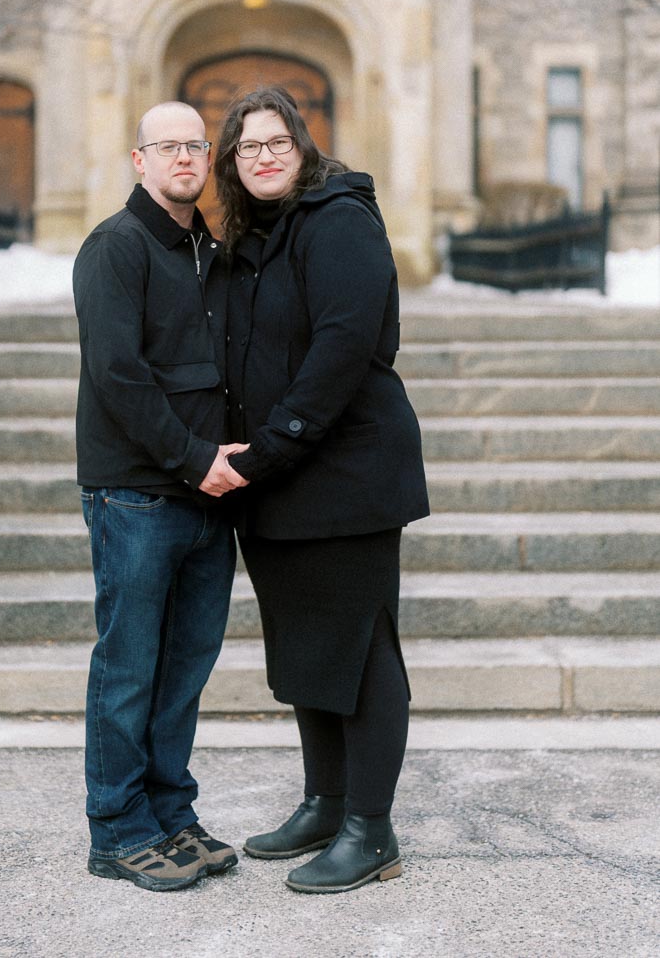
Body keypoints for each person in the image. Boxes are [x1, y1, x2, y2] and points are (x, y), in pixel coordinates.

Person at [216, 86, 430, 895]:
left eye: (277, 142)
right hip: (277, 479)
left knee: (362, 651)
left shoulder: (338, 219)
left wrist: (270, 449)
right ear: (233, 163)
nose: (264, 156)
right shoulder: (257, 236)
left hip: (346, 472)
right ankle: (325, 800)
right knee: (307, 646)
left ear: (303, 148)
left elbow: (342, 350)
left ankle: (371, 829)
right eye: (247, 146)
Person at [73, 101, 246, 892]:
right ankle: (117, 829)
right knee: (130, 666)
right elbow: (119, 377)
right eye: (168, 146)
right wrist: (191, 459)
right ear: (138, 158)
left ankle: (171, 811)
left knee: (184, 668)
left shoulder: (204, 246)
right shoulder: (117, 246)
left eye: (196, 146)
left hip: (207, 495)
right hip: (140, 493)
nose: (185, 158)